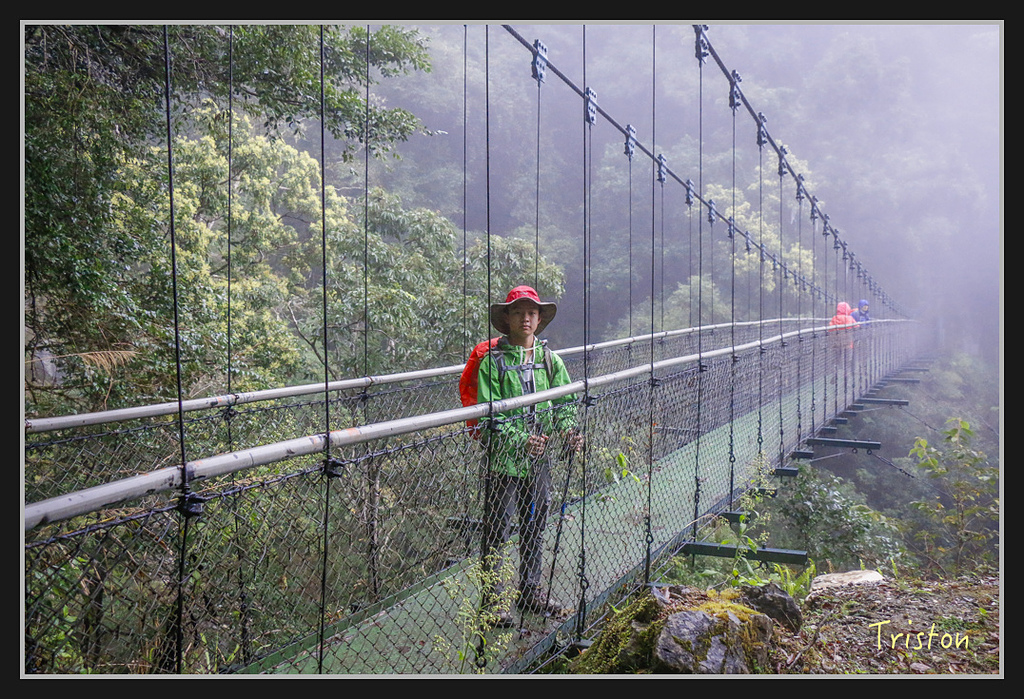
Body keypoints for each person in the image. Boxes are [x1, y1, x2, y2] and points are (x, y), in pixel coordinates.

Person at [476, 285, 582, 624]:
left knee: (535, 523)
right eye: (518, 312)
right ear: (507, 318)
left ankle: (530, 589)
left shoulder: (550, 360)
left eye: (531, 313)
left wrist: (569, 431)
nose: (525, 318)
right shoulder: (492, 363)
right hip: (504, 461)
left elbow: (565, 401)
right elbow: (488, 415)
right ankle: (493, 600)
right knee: (498, 528)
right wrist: (521, 440)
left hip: (539, 460)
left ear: (539, 319)